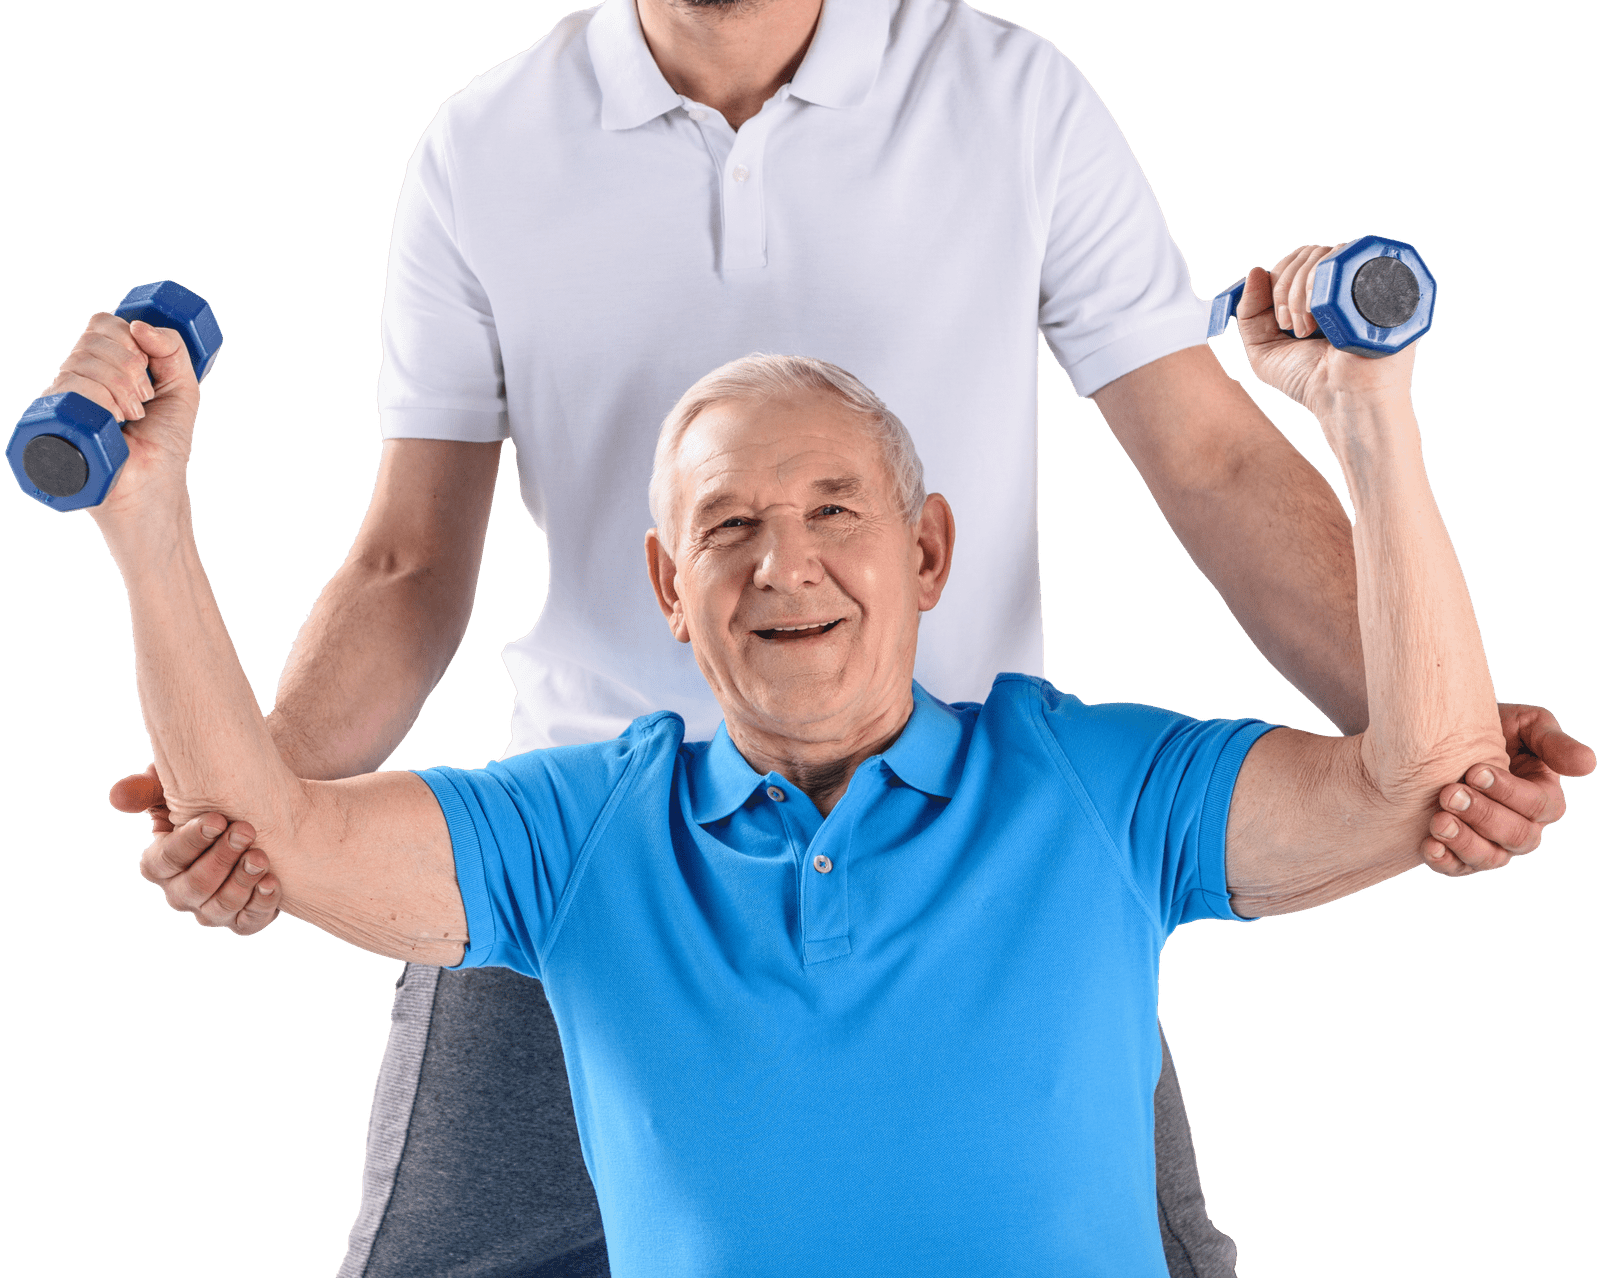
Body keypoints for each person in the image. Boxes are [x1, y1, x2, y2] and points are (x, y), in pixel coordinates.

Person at [104, 0, 1590, 1278]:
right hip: (590, 851)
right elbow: (406, 563)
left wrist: (1429, 730)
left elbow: (1216, 462)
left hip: (969, 840)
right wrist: (266, 800)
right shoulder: (483, 149)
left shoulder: (1011, 99)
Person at [64, 290, 1586, 1274]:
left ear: (928, 552)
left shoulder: (1089, 783)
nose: (783, 565)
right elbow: (267, 829)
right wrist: (146, 517)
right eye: (727, 529)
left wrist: (1370, 416)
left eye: (834, 512)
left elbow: (1420, 779)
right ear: (670, 590)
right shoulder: (578, 831)